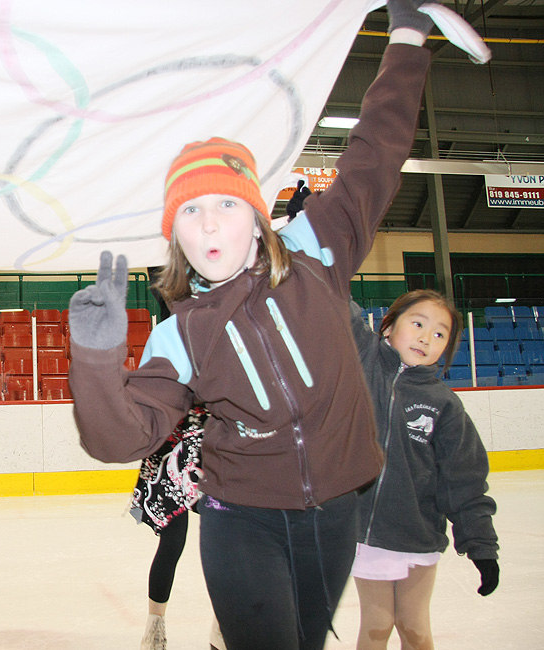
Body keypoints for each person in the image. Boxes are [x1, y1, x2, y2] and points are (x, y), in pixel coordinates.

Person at [67, 3, 445, 648]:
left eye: (224, 204)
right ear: (176, 236)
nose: (209, 223)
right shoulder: (179, 333)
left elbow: (376, 151)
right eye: (189, 212)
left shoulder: (317, 252)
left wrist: (406, 37)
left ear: (256, 214)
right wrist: (96, 359)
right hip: (240, 517)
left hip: (335, 508)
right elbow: (117, 441)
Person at [348, 291, 499, 650]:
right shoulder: (363, 359)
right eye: (417, 323)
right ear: (387, 326)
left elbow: (464, 480)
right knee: (377, 623)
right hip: (365, 532)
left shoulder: (444, 404)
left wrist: (481, 545)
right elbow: (336, 299)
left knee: (414, 626)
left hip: (416, 533)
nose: (425, 338)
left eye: (439, 334)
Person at [131, 406, 209, 650]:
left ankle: (224, 626)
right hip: (171, 449)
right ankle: (154, 627)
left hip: (211, 446)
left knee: (227, 538)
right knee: (173, 542)